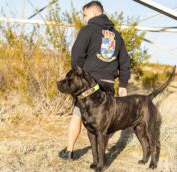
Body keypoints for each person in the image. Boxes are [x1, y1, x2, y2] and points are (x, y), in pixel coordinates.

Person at [59, 1, 130, 160]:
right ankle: (99, 150)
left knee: (77, 115)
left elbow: (77, 55)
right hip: (109, 84)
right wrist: (123, 84)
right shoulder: (117, 35)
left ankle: (69, 151)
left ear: (93, 12)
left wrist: (75, 79)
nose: (83, 18)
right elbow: (124, 61)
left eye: (84, 15)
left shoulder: (88, 30)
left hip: (88, 85)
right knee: (107, 119)